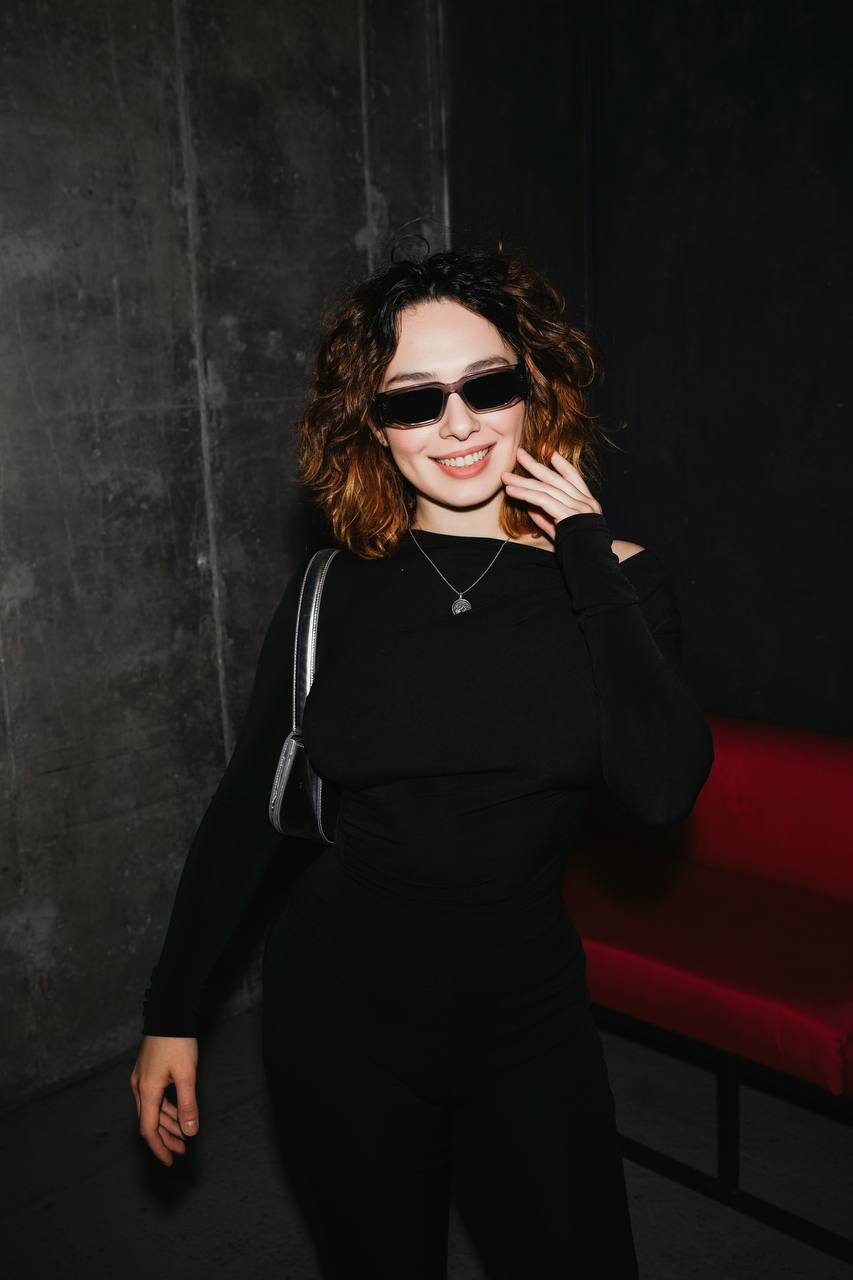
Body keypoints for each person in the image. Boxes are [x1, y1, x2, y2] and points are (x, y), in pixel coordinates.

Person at [130, 244, 714, 1279]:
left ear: (532, 391)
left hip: (526, 1022)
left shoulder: (614, 580)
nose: (457, 423)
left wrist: (583, 550)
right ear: (372, 423)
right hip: (336, 1017)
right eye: (414, 400)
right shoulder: (332, 588)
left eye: (487, 386)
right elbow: (249, 808)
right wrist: (173, 1013)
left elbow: (662, 790)